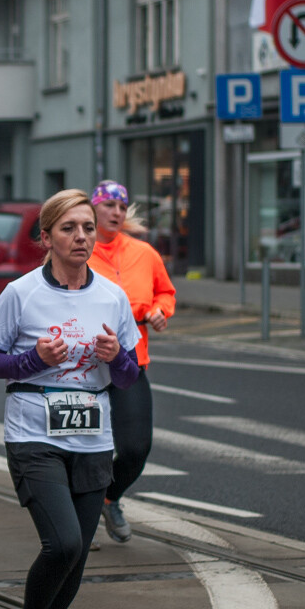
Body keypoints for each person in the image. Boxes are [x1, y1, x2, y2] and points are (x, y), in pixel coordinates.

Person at [0, 188, 140, 609]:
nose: (81, 237)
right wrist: (34, 360)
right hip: (34, 434)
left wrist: (116, 357)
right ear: (46, 237)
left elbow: (129, 378)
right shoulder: (22, 293)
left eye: (88, 227)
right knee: (63, 543)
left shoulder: (112, 295)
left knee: (78, 556)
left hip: (92, 436)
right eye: (69, 228)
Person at [85, 180, 175, 544]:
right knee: (86, 448)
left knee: (136, 448)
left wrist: (158, 311)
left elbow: (165, 292)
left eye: (122, 207)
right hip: (84, 366)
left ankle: (110, 497)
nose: (116, 213)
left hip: (130, 363)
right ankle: (80, 515)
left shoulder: (145, 253)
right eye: (108, 205)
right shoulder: (80, 249)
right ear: (93, 209)